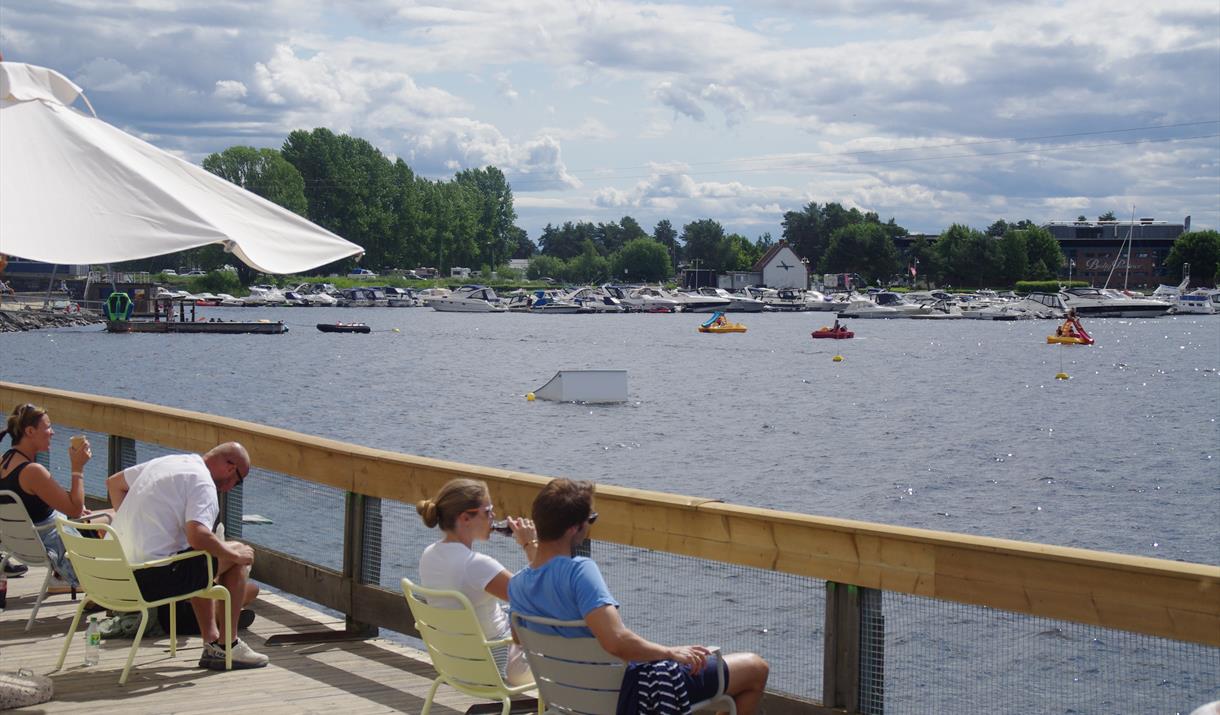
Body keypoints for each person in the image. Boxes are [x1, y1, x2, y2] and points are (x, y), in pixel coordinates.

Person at [508, 478, 770, 714]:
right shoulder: (580, 571)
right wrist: (671, 653)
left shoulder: (517, 585)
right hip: (622, 695)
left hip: (570, 698)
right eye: (591, 519)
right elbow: (616, 642)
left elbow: (520, 638)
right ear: (573, 528)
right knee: (756, 668)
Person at [106, 442, 267, 670]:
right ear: (231, 468)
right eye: (238, 481)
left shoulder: (167, 462)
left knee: (198, 558)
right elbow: (198, 535)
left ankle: (212, 641)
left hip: (109, 577)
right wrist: (233, 553)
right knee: (237, 555)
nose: (232, 488)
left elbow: (114, 484)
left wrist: (134, 527)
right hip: (144, 581)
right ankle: (228, 646)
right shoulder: (203, 482)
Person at [416, 478, 536, 686]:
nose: (494, 517)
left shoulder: (429, 555)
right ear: (465, 518)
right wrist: (530, 543)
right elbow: (539, 596)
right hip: (500, 665)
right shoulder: (476, 566)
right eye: (487, 512)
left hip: (457, 665)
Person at [1, 403, 111, 590]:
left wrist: (72, 507)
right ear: (29, 431)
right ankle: (104, 584)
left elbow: (39, 502)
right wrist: (78, 468)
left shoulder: (5, 460)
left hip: (24, 543)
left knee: (102, 514)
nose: (53, 433)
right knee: (115, 516)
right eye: (48, 427)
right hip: (50, 543)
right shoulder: (32, 471)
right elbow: (75, 510)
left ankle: (60, 578)